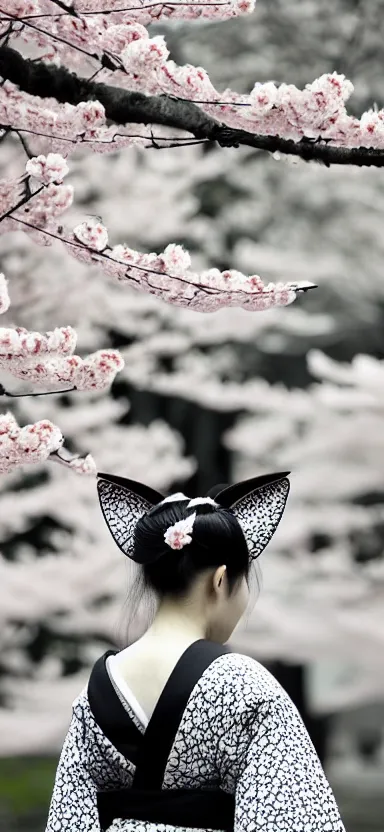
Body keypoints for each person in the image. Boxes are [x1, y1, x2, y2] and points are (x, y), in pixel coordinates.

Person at [45, 471, 346, 832]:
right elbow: (291, 819)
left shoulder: (93, 696)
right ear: (221, 581)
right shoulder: (247, 689)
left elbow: (68, 820)